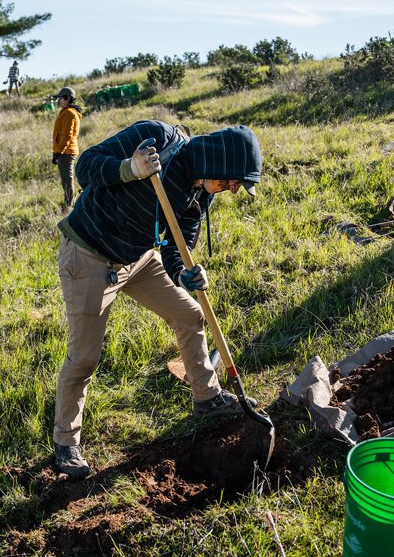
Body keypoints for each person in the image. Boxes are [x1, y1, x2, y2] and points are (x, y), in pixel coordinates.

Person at [53, 120, 262, 479]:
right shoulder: (157, 139)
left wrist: (184, 273)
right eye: (231, 182)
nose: (230, 190)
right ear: (218, 162)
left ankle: (207, 397)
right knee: (85, 356)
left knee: (190, 314)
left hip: (137, 258)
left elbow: (177, 243)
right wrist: (129, 169)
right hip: (89, 255)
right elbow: (87, 165)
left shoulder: (202, 189)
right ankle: (65, 442)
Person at [52, 87, 82, 210]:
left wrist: (59, 152)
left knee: (67, 179)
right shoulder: (67, 111)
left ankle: (69, 204)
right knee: (66, 178)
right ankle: (69, 202)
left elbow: (67, 135)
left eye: (60, 98)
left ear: (67, 98)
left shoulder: (69, 113)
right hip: (65, 150)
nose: (59, 100)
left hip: (66, 151)